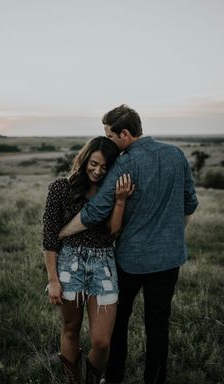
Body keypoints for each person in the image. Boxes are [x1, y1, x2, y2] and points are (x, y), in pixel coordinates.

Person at [58, 105, 199, 384]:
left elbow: (96, 211)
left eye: (109, 136)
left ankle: (114, 379)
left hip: (131, 262)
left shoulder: (125, 163)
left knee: (119, 324)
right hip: (169, 259)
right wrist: (173, 234)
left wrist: (62, 232)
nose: (107, 141)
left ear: (125, 133)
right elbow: (191, 202)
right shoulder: (175, 154)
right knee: (159, 326)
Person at [43, 136, 134, 384]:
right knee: (71, 329)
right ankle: (73, 380)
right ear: (84, 159)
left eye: (105, 167)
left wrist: (120, 201)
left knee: (102, 341)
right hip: (69, 264)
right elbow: (50, 238)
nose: (98, 170)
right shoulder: (60, 188)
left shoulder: (109, 190)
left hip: (103, 265)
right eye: (94, 163)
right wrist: (53, 280)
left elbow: (113, 232)